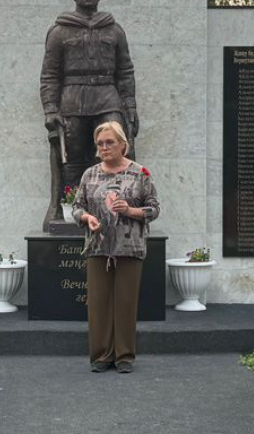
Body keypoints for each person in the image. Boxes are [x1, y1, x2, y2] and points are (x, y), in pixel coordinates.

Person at [72, 120, 159, 374]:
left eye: (109, 142)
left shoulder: (140, 173)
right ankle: (101, 355)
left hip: (129, 247)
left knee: (125, 303)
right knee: (98, 303)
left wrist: (130, 210)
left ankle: (124, 356)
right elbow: (77, 207)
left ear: (123, 144)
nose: (104, 147)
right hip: (98, 247)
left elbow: (154, 208)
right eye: (100, 143)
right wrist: (88, 219)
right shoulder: (90, 174)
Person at [41, 0, 137, 192]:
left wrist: (130, 106)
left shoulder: (114, 31)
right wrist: (50, 108)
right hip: (73, 100)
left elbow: (125, 71)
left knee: (115, 148)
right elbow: (50, 74)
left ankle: (115, 203)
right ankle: (73, 206)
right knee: (72, 155)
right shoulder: (59, 32)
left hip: (107, 98)